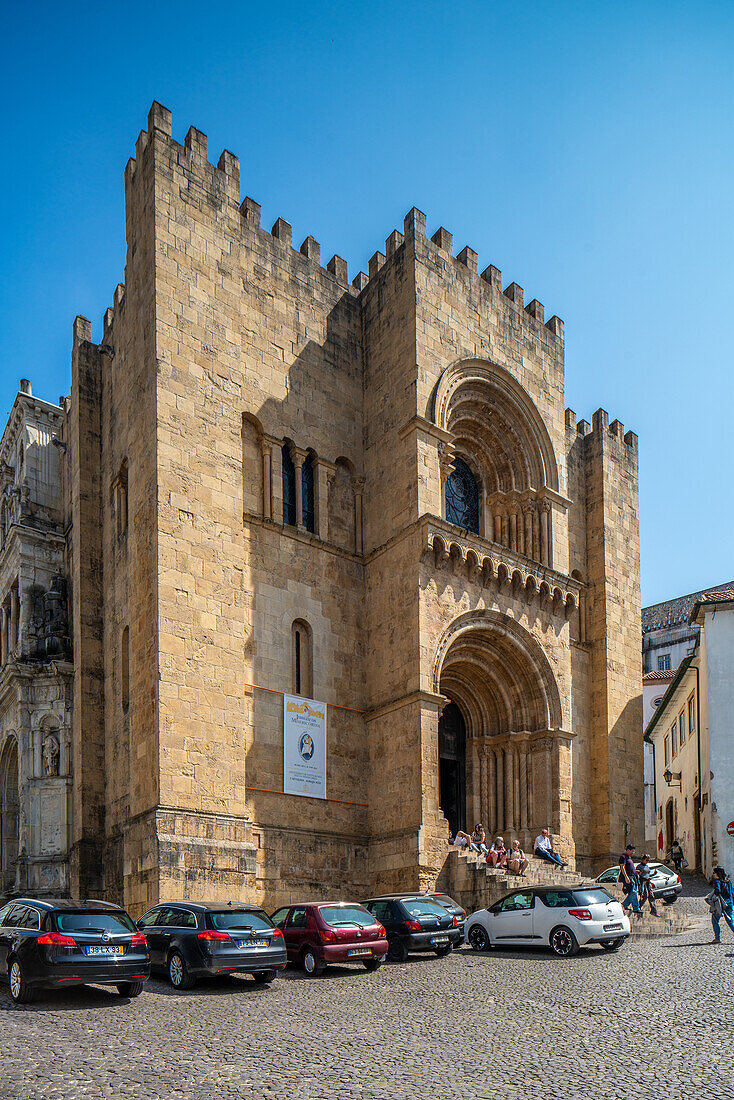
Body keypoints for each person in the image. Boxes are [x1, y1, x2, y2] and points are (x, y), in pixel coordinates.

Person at [707, 866, 734, 944]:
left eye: (714, 873)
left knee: (715, 920)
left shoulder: (717, 881)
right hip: (729, 903)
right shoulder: (728, 882)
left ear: (717, 873)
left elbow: (717, 891)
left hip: (720, 905)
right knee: (730, 921)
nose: (713, 874)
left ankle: (717, 938)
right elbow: (732, 893)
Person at [619, 844, 640, 916]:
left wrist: (635, 871)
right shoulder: (623, 857)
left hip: (632, 876)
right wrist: (626, 877)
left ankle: (624, 905)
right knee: (633, 892)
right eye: (632, 851)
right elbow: (622, 867)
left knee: (632, 892)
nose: (633, 853)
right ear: (628, 850)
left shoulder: (629, 857)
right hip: (628, 877)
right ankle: (636, 908)